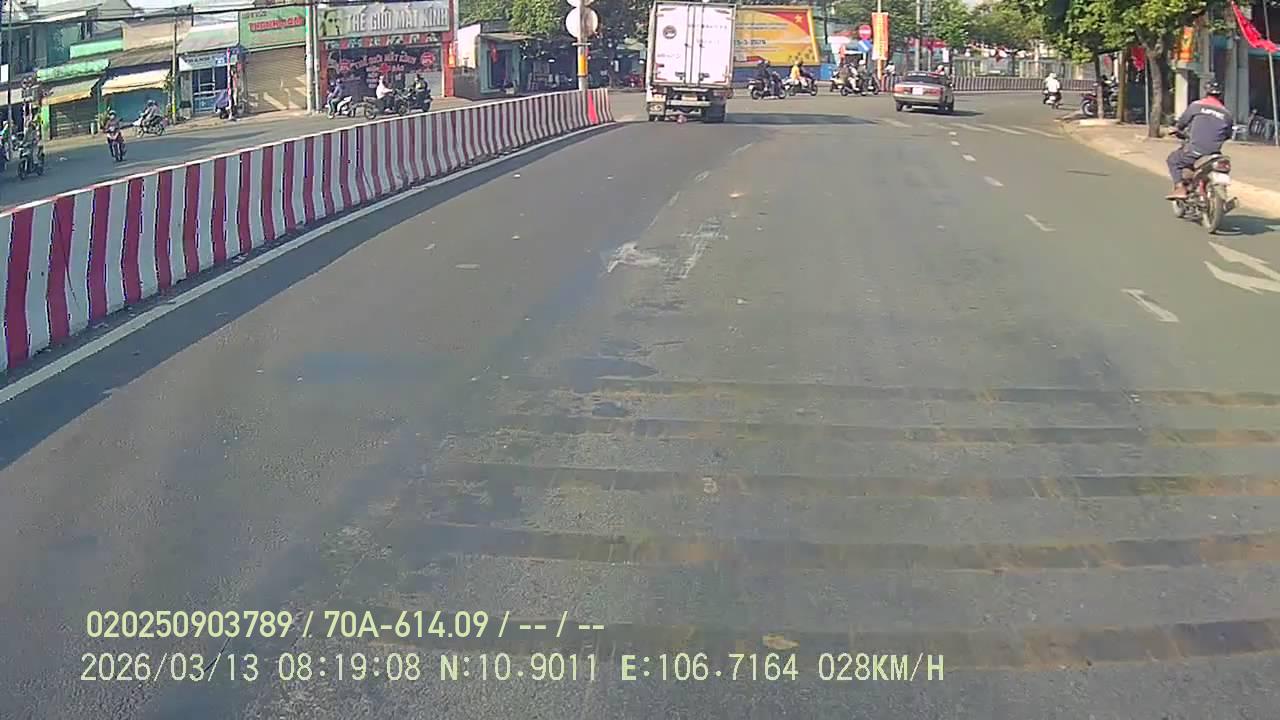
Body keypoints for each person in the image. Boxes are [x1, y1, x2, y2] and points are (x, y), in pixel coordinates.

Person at [1166, 81, 1233, 199]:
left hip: (1195, 151)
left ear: (1205, 92)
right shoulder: (1227, 113)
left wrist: (1177, 129)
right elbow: (1228, 135)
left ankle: (1180, 188)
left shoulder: (1196, 106)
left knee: (1173, 160)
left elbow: (1181, 123)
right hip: (1214, 153)